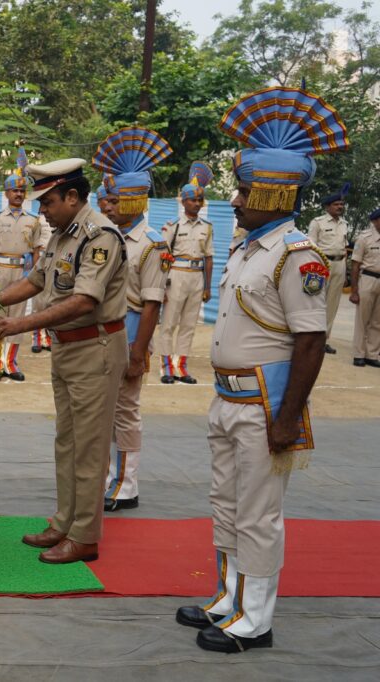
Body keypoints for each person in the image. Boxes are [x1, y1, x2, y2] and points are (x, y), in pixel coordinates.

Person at [176, 86, 349, 654]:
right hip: (228, 399)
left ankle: (255, 620)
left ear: (276, 192)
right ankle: (230, 599)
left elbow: (310, 341)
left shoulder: (297, 255)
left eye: (245, 191)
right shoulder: (249, 248)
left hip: (265, 405)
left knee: (258, 515)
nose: (236, 200)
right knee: (226, 504)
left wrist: (288, 418)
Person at [0, 158, 128, 564]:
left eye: (47, 202)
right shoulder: (62, 235)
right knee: (67, 442)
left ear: (72, 197)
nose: (42, 210)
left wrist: (18, 325)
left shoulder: (100, 237)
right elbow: (36, 280)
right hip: (68, 349)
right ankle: (65, 522)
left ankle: (85, 536)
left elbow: (83, 301)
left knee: (89, 448)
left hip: (95, 349)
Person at [91, 127, 172, 512]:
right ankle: (109, 478)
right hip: (103, 335)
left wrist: (139, 353)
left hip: (132, 334)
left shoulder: (153, 244)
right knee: (105, 411)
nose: (107, 207)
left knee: (124, 411)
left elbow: (153, 303)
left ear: (135, 200)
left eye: (114, 200)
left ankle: (126, 485)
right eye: (107, 201)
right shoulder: (109, 236)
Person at [0, 148, 46, 381]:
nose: (18, 194)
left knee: (17, 316)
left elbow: (37, 251)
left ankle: (10, 362)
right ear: (6, 193)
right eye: (14, 190)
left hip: (22, 272)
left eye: (21, 190)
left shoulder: (34, 221)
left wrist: (35, 275)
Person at [158, 163, 215, 384]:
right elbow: (163, 257)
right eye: (193, 200)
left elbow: (208, 257)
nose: (197, 204)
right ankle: (166, 369)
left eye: (200, 200)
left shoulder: (207, 227)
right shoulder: (172, 225)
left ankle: (181, 368)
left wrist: (207, 286)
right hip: (176, 276)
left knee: (189, 325)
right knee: (169, 323)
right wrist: (162, 285)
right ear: (183, 202)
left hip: (196, 277)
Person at [307, 184, 350, 354]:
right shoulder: (317, 222)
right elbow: (311, 246)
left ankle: (323, 340)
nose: (340, 207)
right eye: (336, 204)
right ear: (327, 207)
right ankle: (308, 337)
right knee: (314, 301)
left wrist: (345, 271)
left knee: (332, 304)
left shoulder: (344, 224)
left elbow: (344, 247)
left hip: (339, 264)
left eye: (341, 204)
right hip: (322, 263)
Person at [350, 207, 380, 367]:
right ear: (375, 221)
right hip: (367, 279)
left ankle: (372, 355)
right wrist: (354, 291)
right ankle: (359, 354)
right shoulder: (364, 238)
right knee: (362, 319)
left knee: (377, 321)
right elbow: (355, 265)